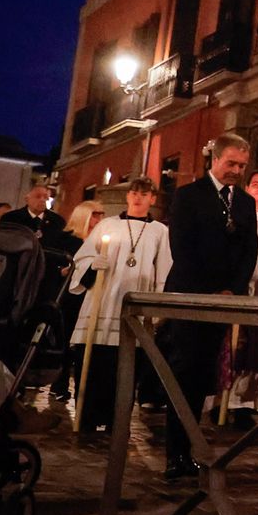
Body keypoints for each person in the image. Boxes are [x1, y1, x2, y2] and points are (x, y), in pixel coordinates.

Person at [162, 132, 258, 480]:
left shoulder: (245, 202)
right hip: (191, 298)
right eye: (231, 163)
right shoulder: (189, 196)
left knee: (204, 377)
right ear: (214, 160)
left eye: (242, 166)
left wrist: (233, 290)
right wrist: (209, 291)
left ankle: (192, 447)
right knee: (184, 374)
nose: (236, 171)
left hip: (224, 301)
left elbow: (249, 250)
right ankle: (175, 453)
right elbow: (182, 248)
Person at [70, 178, 170, 432]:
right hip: (103, 301)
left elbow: (164, 271)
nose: (137, 197)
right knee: (94, 361)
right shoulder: (108, 225)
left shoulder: (160, 231)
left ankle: (116, 421)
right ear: (128, 196)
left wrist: (158, 306)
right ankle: (87, 417)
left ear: (152, 199)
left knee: (125, 366)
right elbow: (83, 257)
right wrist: (92, 265)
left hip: (135, 304)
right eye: (134, 192)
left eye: (144, 194)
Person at [222, 167, 258, 429]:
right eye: (255, 183)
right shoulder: (237, 216)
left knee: (255, 347)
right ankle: (220, 401)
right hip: (238, 286)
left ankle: (243, 403)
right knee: (231, 346)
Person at [54, 201, 104, 402]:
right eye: (95, 215)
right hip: (70, 296)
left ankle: (82, 390)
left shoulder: (99, 241)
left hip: (91, 295)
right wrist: (64, 270)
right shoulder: (66, 239)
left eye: (101, 215)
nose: (99, 219)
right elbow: (55, 265)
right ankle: (60, 383)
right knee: (66, 339)